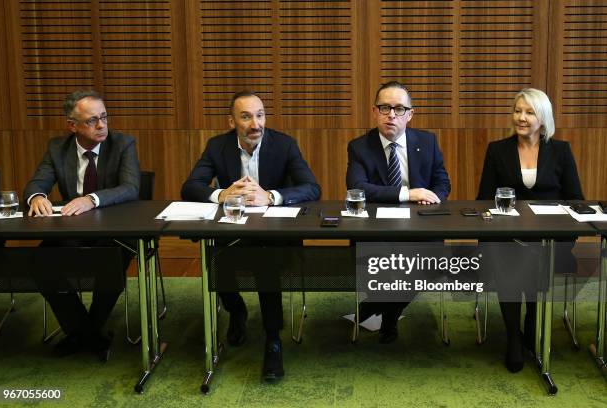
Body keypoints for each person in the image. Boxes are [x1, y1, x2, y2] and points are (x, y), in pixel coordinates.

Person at [181, 90, 320, 381]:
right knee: (216, 259)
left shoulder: (283, 145)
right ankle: (237, 310)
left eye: (260, 115)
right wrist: (222, 194)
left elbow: (311, 187)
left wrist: (270, 196)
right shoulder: (217, 146)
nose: (255, 123)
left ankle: (273, 339)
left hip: (274, 234)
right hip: (231, 229)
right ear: (232, 121)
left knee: (265, 262)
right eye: (246, 117)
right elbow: (191, 186)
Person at [24, 90, 140, 361]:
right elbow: (36, 183)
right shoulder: (57, 149)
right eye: (92, 121)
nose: (101, 126)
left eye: (104, 118)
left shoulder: (122, 144)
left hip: (116, 230)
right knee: (40, 261)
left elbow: (131, 187)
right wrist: (37, 195)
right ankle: (88, 333)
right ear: (72, 125)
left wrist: (92, 199)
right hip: (71, 229)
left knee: (112, 258)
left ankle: (83, 333)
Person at [476, 88, 583, 372]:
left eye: (529, 112)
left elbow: (576, 199)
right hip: (507, 237)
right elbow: (484, 199)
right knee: (508, 260)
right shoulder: (498, 150)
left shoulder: (560, 151)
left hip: (549, 239)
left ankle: (533, 322)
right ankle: (513, 336)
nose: (521, 118)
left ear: (543, 118)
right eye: (517, 111)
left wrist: (565, 237)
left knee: (535, 261)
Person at [346, 81, 451, 343]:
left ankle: (380, 307)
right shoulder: (359, 146)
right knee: (385, 262)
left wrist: (433, 198)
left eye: (399, 109)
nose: (391, 114)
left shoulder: (427, 142)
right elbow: (357, 187)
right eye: (385, 108)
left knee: (434, 260)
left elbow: (442, 183)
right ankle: (390, 316)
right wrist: (408, 194)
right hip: (375, 229)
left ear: (410, 114)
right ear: (374, 111)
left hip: (420, 225)